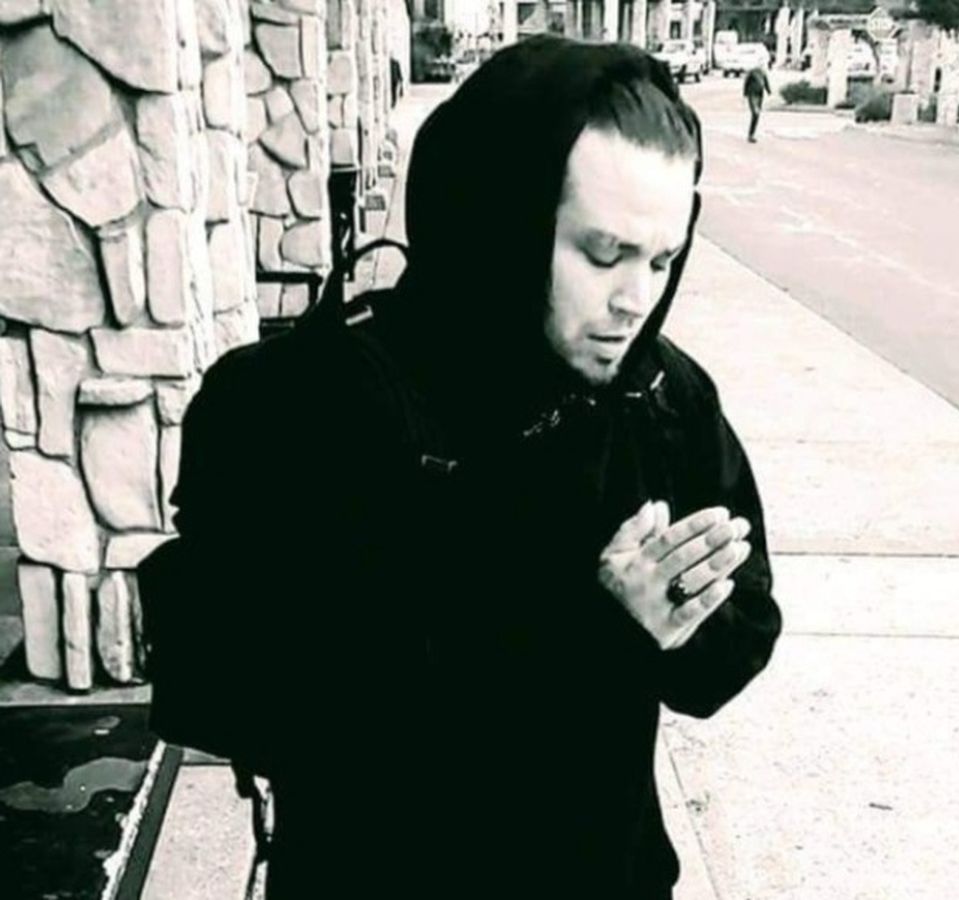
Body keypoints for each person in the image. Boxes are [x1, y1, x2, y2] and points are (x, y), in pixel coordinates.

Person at [170, 35, 780, 899]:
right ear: (501, 219)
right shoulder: (312, 407)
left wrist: (685, 618)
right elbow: (282, 705)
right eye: (602, 254)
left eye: (661, 261)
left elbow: (732, 644)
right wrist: (594, 629)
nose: (634, 300)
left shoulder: (660, 398)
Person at [743, 64, 771, 142]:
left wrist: (768, 91)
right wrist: (745, 93)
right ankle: (750, 135)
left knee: (757, 115)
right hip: (752, 94)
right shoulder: (752, 72)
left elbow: (766, 82)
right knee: (755, 113)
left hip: (760, 95)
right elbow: (746, 82)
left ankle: (751, 134)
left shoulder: (763, 72)